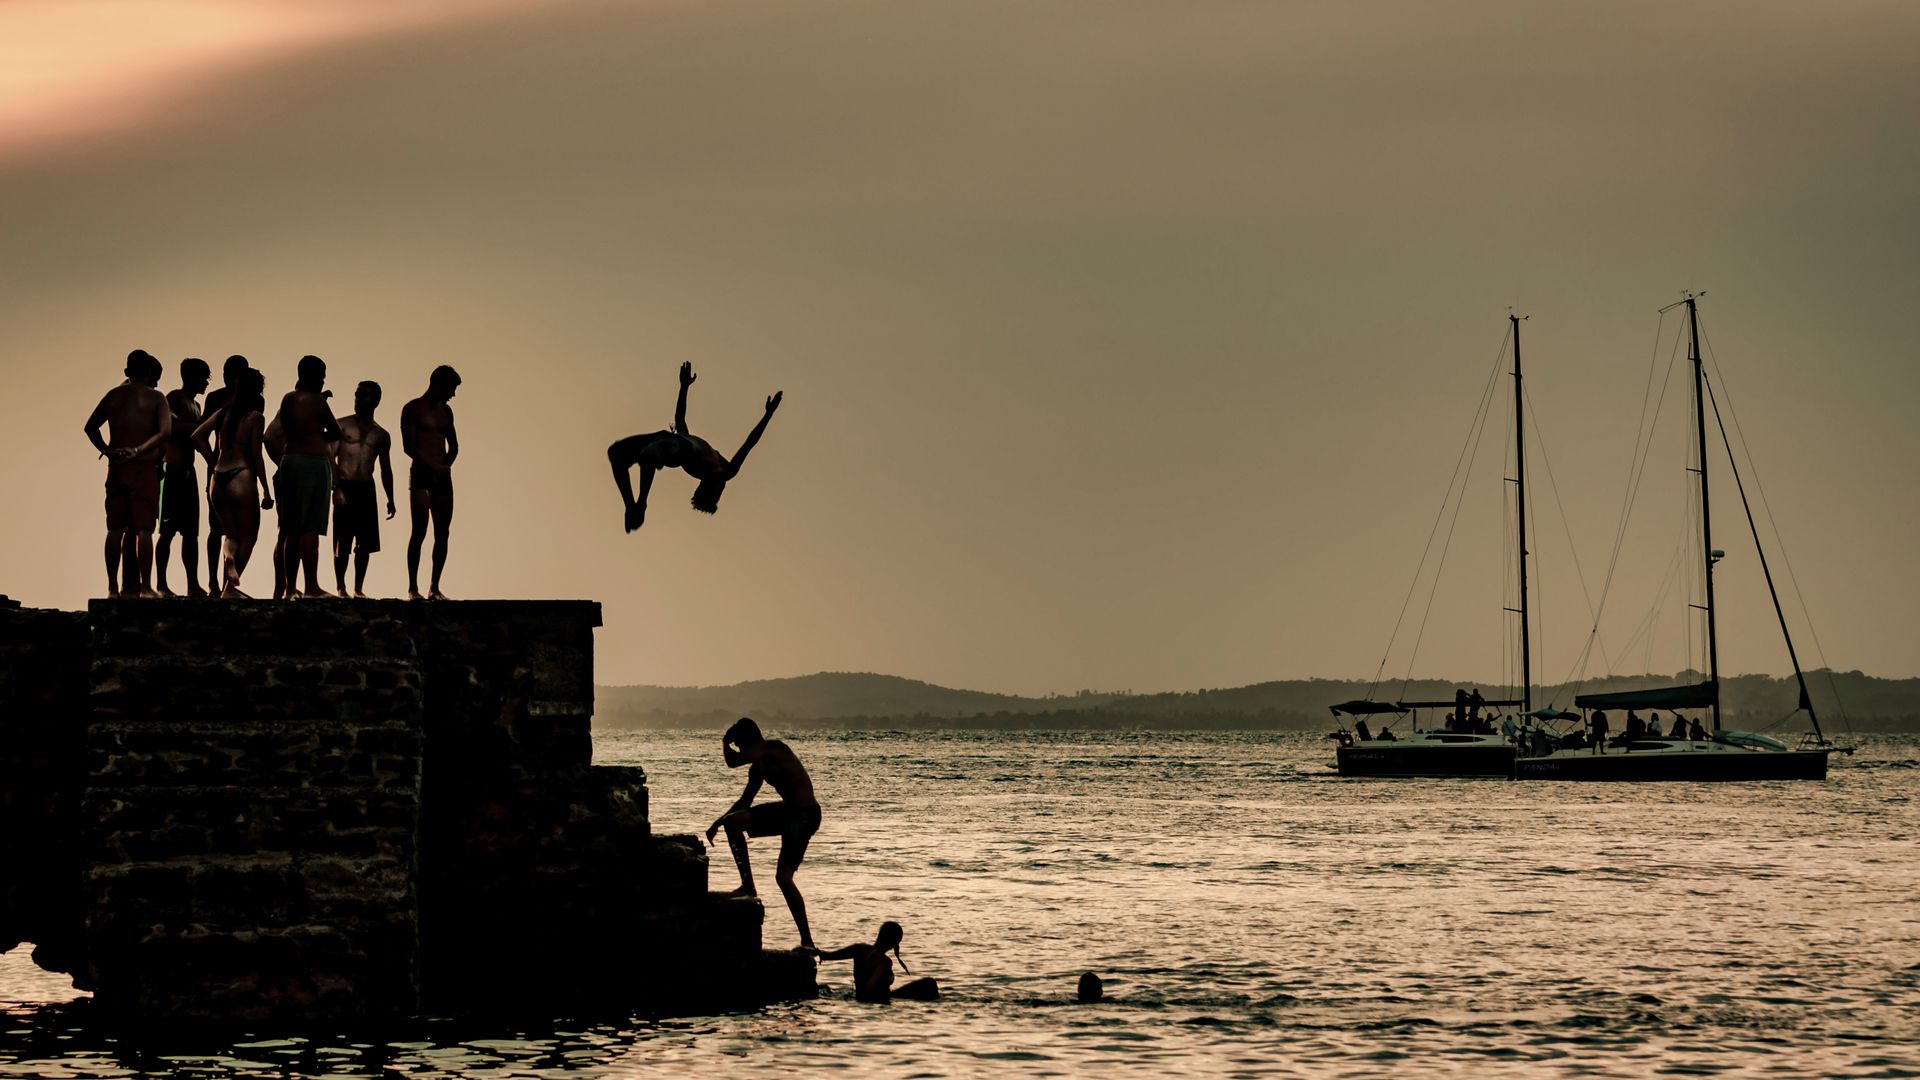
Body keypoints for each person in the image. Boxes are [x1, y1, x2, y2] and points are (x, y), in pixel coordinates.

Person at [607, 362, 782, 533]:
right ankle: (632, 506)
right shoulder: (722, 468)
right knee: (615, 453)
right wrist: (684, 387)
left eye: (717, 494)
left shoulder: (722, 473)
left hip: (678, 449)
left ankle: (641, 503)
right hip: (667, 438)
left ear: (706, 488)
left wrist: (768, 415)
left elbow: (750, 443)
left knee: (648, 455)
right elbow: (680, 421)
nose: (722, 490)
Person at [705, 717, 820, 950]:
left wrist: (725, 742)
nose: (740, 750)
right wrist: (718, 822)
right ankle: (748, 885)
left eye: (740, 744)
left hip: (805, 815)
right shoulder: (757, 769)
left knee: (783, 878)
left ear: (749, 740)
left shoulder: (773, 747)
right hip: (788, 811)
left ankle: (807, 941)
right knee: (733, 823)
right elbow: (745, 801)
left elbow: (732, 762)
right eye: (737, 746)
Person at [83, 351, 171, 598]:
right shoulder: (156, 398)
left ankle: (112, 588)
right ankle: (145, 587)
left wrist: (107, 450)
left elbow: (90, 427)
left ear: (126, 373)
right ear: (150, 373)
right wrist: (139, 450)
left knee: (114, 529)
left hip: (117, 466)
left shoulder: (113, 395)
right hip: (142, 465)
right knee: (144, 529)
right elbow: (165, 432)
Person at [192, 369, 272, 596]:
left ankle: (228, 557)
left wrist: (212, 460)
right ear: (258, 391)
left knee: (229, 535)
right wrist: (266, 489)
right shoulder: (256, 417)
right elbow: (257, 455)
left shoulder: (223, 412)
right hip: (241, 475)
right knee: (249, 536)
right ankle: (229, 589)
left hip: (217, 478)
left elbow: (196, 436)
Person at [270, 355, 342, 598]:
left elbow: (283, 431)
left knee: (291, 528)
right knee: (310, 528)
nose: (323, 380)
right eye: (322, 376)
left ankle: (290, 588)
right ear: (314, 376)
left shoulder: (287, 400)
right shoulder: (318, 402)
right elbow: (335, 431)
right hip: (313, 462)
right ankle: (311, 586)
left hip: (289, 461)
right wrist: (318, 434)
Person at [331, 380, 396, 598]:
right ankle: (341, 587)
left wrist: (391, 498)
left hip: (366, 488)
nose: (358, 400)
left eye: (363, 396)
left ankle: (358, 588)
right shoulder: (341, 425)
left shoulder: (381, 435)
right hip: (345, 484)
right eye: (357, 395)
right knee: (342, 541)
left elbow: (385, 469)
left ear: (376, 400)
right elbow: (330, 457)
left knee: (364, 543)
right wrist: (336, 488)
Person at [401, 365, 461, 600]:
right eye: (451, 388)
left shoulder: (446, 412)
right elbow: (409, 446)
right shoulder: (413, 408)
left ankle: (434, 587)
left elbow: (454, 445)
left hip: (442, 478)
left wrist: (446, 465)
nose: (453, 394)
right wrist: (432, 466)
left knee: (442, 532)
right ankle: (412, 588)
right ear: (439, 383)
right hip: (422, 475)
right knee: (419, 531)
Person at [154, 357, 211, 597]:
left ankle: (192, 584)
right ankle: (161, 584)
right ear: (190, 377)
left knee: (191, 533)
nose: (207, 382)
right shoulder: (174, 398)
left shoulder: (196, 406)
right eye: (204, 377)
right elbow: (171, 428)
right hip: (173, 469)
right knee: (166, 531)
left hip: (189, 471)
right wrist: (200, 428)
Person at [199, 355, 250, 595]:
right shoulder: (222, 398)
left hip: (221, 468)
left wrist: (212, 460)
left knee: (222, 530)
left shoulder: (222, 398)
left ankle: (220, 584)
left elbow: (200, 433)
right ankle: (217, 584)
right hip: (239, 469)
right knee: (230, 530)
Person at [819, 921, 939, 1004]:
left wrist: (815, 952)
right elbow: (869, 988)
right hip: (878, 999)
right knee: (929, 983)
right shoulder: (885, 961)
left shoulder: (859, 949)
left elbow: (828, 956)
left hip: (861, 997)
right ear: (896, 942)